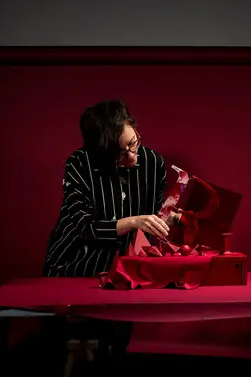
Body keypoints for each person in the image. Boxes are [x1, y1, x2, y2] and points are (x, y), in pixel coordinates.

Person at [43, 99, 176, 277]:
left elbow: (153, 213)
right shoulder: (79, 163)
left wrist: (171, 218)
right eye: (119, 154)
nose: (131, 157)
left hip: (123, 270)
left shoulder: (153, 163)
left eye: (133, 143)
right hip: (75, 266)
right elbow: (85, 227)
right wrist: (133, 222)